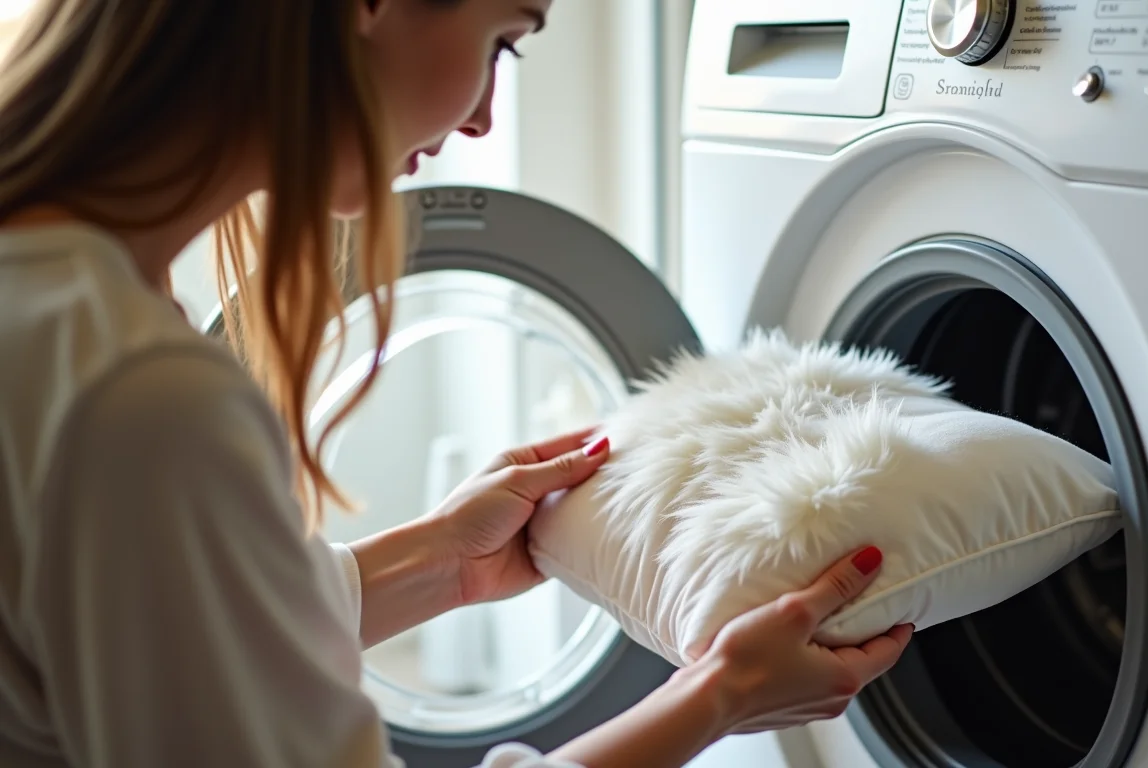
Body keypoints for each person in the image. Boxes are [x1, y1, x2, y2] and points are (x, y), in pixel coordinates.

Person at [0, 1, 915, 766]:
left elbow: (168, 631)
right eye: (503, 40)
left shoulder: (58, 297)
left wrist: (443, 563)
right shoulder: (136, 390)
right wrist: (717, 698)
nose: (482, 115)